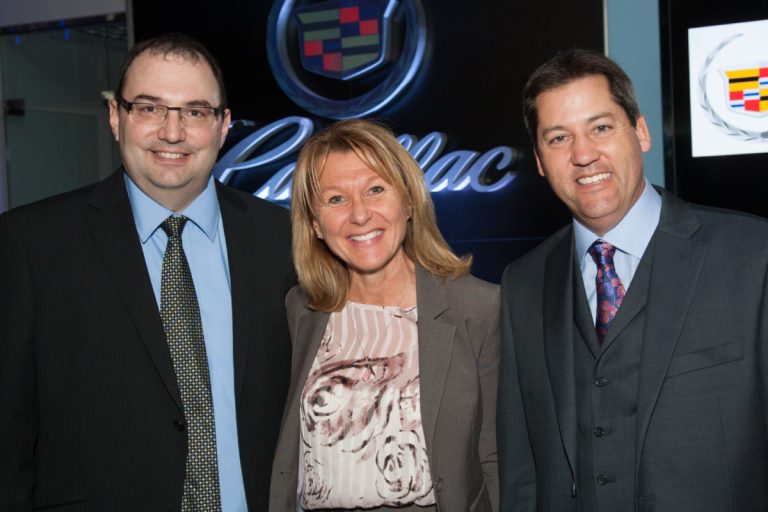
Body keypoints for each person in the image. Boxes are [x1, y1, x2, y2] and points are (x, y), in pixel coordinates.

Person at [0, 33, 293, 511]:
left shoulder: (286, 240)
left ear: (223, 127)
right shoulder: (31, 245)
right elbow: (8, 435)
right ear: (116, 118)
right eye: (149, 108)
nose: (171, 133)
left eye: (195, 112)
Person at [497, 48, 768, 512]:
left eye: (601, 128)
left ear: (640, 131)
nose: (584, 154)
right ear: (540, 161)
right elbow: (522, 470)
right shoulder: (522, 283)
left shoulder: (752, 253)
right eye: (559, 138)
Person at [269, 119, 499, 512]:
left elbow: (496, 459)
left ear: (408, 202)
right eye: (336, 199)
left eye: (376, 190)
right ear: (314, 223)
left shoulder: (478, 307)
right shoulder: (301, 310)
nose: (360, 215)